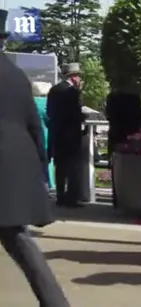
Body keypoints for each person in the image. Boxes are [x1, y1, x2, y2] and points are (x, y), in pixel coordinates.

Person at [0, 10, 70, 306]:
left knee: (17, 238)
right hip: (16, 165)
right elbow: (33, 125)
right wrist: (41, 168)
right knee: (18, 238)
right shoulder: (17, 75)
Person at [47, 63, 86, 207]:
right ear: (74, 77)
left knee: (60, 167)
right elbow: (75, 114)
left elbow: (50, 112)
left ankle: (60, 195)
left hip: (58, 133)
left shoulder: (54, 90)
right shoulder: (73, 92)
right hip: (71, 134)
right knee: (72, 168)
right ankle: (71, 198)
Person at [105, 87, 141, 208]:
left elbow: (108, 115)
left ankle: (117, 199)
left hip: (116, 134)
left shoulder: (112, 97)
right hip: (133, 134)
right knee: (133, 167)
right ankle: (133, 198)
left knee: (116, 168)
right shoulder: (135, 97)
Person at [33, 81, 56, 189]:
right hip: (45, 136)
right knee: (47, 162)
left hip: (33, 138)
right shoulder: (46, 103)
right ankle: (49, 184)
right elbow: (50, 119)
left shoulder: (31, 102)